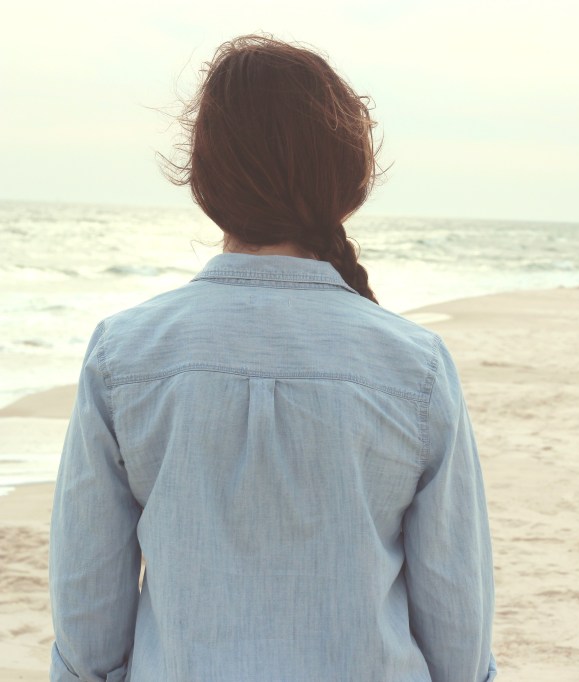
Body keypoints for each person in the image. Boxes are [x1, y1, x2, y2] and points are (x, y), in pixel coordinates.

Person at [49, 34, 496, 681]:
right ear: (346, 175)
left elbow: (87, 635)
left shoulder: (124, 357)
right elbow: (458, 642)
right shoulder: (416, 368)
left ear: (207, 178)